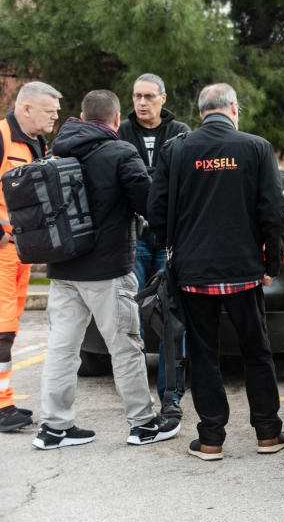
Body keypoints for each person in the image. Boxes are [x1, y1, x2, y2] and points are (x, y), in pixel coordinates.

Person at [148, 83, 284, 461]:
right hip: (244, 270)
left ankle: (211, 439)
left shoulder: (176, 149)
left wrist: (174, 249)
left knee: (203, 354)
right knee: (256, 350)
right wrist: (271, 264)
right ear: (233, 109)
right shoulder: (257, 148)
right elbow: (274, 214)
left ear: (201, 113)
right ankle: (268, 434)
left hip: (193, 273)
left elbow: (156, 212)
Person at [35, 90, 180, 450]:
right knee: (126, 346)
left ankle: (54, 427)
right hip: (108, 271)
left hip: (62, 268)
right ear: (117, 121)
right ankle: (143, 424)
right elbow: (149, 204)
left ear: (82, 117)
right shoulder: (119, 152)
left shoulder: (57, 150)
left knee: (62, 348)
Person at [118, 73, 191, 418]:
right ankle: (135, 399)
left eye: (148, 96)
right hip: (132, 238)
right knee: (128, 317)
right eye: (136, 96)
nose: (142, 102)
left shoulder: (181, 134)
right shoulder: (121, 134)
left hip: (168, 240)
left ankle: (171, 396)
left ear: (163, 98)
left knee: (170, 317)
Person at [0, 82, 61, 433]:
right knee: (2, 331)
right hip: (3, 252)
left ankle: (4, 402)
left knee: (10, 328)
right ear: (26, 109)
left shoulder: (39, 144)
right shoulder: (3, 137)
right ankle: (3, 406)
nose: (54, 115)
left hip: (21, 254)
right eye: (49, 110)